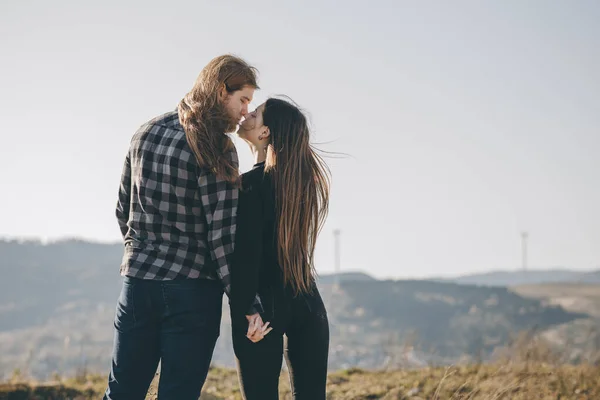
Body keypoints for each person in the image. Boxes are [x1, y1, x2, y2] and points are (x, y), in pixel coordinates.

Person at [104, 54, 263, 400]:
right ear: (223, 91)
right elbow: (223, 239)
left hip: (138, 284)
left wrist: (143, 254)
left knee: (122, 393)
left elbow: (122, 210)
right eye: (243, 99)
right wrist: (247, 301)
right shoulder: (216, 146)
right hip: (191, 292)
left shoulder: (144, 132)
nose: (245, 110)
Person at [230, 97, 331, 399]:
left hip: (262, 311)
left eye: (256, 114)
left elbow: (246, 257)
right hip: (309, 304)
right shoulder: (303, 185)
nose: (246, 114)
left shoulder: (246, 187)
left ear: (264, 134)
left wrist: (246, 308)